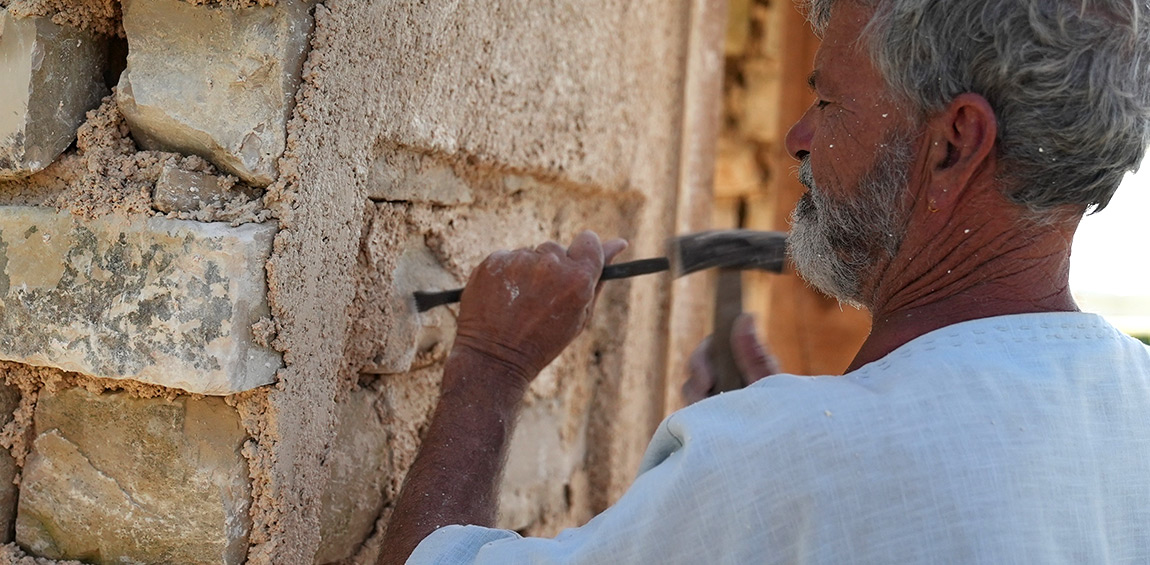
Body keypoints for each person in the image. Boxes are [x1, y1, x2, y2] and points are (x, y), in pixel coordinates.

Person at [382, 0, 1150, 562]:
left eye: (829, 101)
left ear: (954, 144)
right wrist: (786, 454)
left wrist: (490, 365)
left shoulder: (797, 465)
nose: (797, 137)